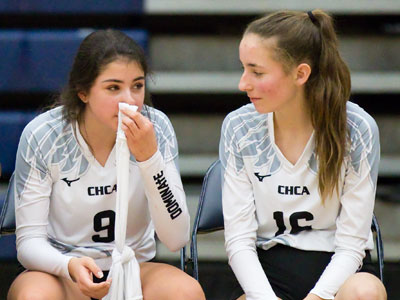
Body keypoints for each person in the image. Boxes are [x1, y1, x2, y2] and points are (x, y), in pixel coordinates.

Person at [7, 29, 205, 300]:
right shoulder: (44, 135)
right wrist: (68, 265)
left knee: (186, 292)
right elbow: (28, 244)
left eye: (137, 85)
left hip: (134, 269)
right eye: (113, 87)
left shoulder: (156, 127)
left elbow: (176, 238)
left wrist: (150, 159)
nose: (130, 100)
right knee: (33, 295)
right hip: (63, 272)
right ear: (83, 92)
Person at [219, 9, 387, 300]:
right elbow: (238, 240)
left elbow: (351, 245)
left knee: (366, 292)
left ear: (301, 74)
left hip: (339, 268)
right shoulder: (239, 127)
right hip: (265, 270)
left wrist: (319, 296)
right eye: (243, 68)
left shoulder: (356, 129)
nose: (243, 83)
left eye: (257, 72)